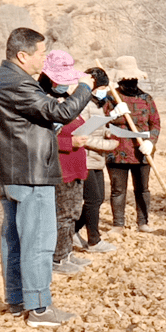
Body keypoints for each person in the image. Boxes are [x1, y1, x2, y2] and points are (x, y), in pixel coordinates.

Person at [0, 27, 93, 327]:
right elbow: (63, 112)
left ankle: (18, 301)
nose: (43, 59)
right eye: (40, 53)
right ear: (22, 55)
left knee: (15, 239)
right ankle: (40, 308)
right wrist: (84, 87)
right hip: (29, 174)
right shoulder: (18, 83)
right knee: (38, 241)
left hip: (7, 172)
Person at [37, 50, 94, 276]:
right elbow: (43, 139)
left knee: (72, 214)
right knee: (62, 215)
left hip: (75, 165)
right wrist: (70, 142)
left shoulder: (62, 101)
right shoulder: (43, 102)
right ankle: (58, 258)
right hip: (60, 167)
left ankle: (67, 253)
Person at [103, 56, 160, 235]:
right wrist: (112, 114)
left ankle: (143, 222)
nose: (131, 82)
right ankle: (118, 224)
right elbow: (100, 123)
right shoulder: (110, 98)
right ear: (120, 79)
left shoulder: (146, 98)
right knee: (118, 189)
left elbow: (155, 123)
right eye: (127, 79)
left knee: (142, 189)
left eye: (133, 79)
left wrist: (151, 142)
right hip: (117, 150)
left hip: (141, 150)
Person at [74, 67, 120, 253]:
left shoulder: (98, 105)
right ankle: (94, 240)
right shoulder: (84, 105)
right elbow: (81, 135)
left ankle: (72, 230)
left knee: (98, 198)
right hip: (85, 158)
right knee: (93, 199)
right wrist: (107, 145)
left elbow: (97, 129)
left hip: (96, 159)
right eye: (101, 89)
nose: (104, 92)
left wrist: (109, 131)